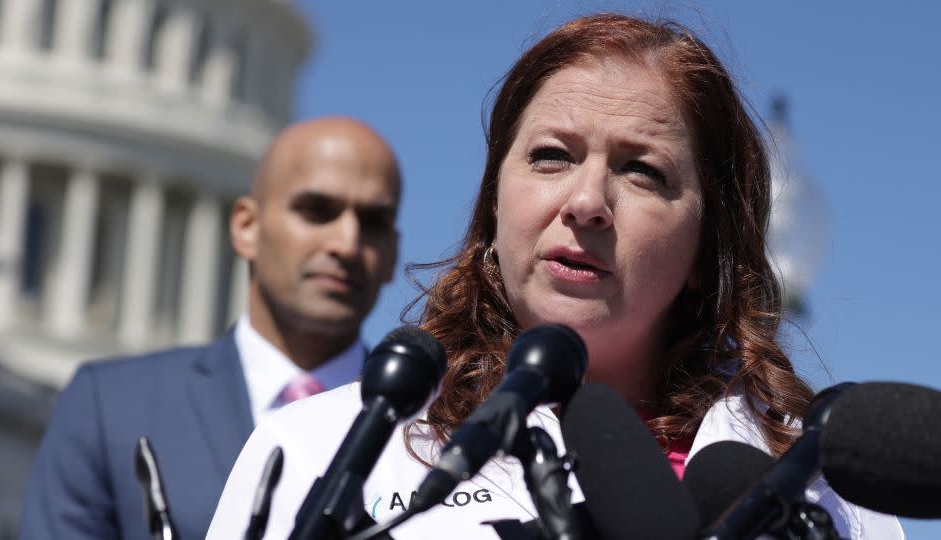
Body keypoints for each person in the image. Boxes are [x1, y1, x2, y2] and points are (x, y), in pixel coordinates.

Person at [207, 14, 904, 540]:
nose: (586, 203)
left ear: (707, 251)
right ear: (493, 207)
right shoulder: (316, 451)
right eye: (551, 156)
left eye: (642, 171)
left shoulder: (829, 495)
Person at [19, 117, 402, 540]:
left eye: (373, 221)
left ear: (393, 254)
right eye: (316, 211)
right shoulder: (109, 406)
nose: (346, 243)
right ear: (246, 227)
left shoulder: (434, 429)